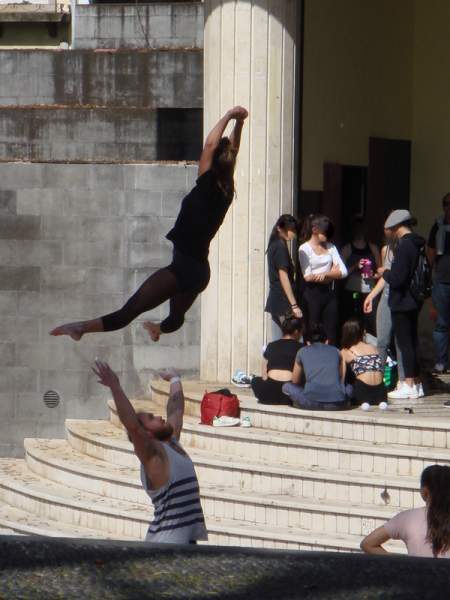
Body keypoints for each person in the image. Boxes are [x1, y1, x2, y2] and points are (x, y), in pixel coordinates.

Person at [50, 106, 249, 342]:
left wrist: (229, 115)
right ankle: (159, 330)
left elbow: (210, 145)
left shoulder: (206, 184)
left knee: (129, 311)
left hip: (184, 269)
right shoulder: (226, 189)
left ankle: (81, 327)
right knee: (175, 317)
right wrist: (239, 124)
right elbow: (229, 151)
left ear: (212, 161)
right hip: (199, 271)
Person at [92, 360, 207, 544]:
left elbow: (175, 412)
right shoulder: (154, 457)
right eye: (152, 418)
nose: (160, 417)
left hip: (183, 545)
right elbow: (133, 426)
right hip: (164, 548)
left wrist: (175, 379)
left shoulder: (172, 443)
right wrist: (115, 387)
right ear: (147, 433)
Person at [381, 210, 425, 400]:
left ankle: (408, 383)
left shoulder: (404, 245)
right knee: (413, 342)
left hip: (402, 300)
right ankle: (416, 383)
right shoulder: (417, 243)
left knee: (404, 343)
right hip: (414, 299)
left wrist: (384, 272)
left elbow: (398, 278)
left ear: (395, 226)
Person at [361, 465, 450, 558]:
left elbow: (367, 544)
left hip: (417, 572)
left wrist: (402, 563)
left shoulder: (407, 518)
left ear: (425, 492)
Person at [363, 233, 405, 390]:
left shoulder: (406, 248)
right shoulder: (385, 249)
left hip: (401, 298)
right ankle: (377, 381)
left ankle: (403, 380)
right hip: (386, 297)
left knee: (401, 341)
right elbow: (384, 277)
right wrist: (371, 295)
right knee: (381, 341)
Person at [298, 214, 347, 345]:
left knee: (331, 329)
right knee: (312, 329)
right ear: (315, 230)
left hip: (328, 293)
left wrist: (326, 275)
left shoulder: (331, 247)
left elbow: (343, 271)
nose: (327, 234)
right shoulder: (304, 248)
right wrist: (333, 272)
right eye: (325, 231)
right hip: (311, 294)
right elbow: (308, 276)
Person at [282, 323, 351, 411]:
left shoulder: (302, 351)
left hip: (311, 402)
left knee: (287, 386)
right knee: (349, 387)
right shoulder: (337, 351)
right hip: (337, 403)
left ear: (307, 343)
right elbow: (341, 379)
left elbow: (295, 380)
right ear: (327, 341)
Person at [341, 217, 381, 335]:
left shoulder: (373, 248)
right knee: (353, 320)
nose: (360, 230)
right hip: (352, 290)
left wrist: (372, 274)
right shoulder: (347, 249)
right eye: (357, 228)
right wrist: (355, 266)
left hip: (370, 290)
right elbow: (340, 273)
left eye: (362, 228)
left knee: (370, 321)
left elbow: (380, 271)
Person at [251, 316, 303, 405]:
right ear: (296, 332)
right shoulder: (301, 348)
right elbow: (296, 380)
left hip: (269, 393)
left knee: (255, 380)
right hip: (288, 394)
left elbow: (264, 375)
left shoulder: (271, 345)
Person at [265, 214, 301, 340]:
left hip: (276, 299)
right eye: (291, 230)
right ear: (280, 228)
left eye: (294, 230)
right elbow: (283, 276)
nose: (293, 233)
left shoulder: (275, 244)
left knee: (278, 340)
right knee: (293, 340)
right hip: (283, 302)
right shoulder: (280, 247)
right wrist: (294, 305)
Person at [426, 193, 450, 377]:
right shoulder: (438, 226)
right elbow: (431, 254)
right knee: (441, 324)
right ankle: (441, 362)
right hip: (441, 281)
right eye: (446, 204)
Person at [340, 318, 387, 406]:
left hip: (363, 393)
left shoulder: (346, 351)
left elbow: (341, 379)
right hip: (381, 393)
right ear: (363, 332)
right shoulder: (373, 348)